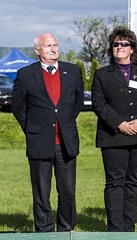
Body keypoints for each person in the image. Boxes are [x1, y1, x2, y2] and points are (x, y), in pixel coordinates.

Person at [12, 33, 84, 232]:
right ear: (38, 50)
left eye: (55, 45)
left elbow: (76, 104)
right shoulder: (26, 74)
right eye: (48, 46)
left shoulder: (73, 71)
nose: (54, 49)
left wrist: (65, 122)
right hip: (39, 142)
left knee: (68, 191)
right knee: (42, 192)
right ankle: (44, 231)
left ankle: (66, 230)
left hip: (66, 142)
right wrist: (33, 128)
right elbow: (19, 107)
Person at [91, 26, 137, 232]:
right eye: (115, 44)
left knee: (132, 182)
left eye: (124, 44)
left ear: (132, 48)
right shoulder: (102, 74)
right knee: (115, 182)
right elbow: (98, 103)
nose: (119, 47)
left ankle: (129, 226)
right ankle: (115, 227)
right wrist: (119, 124)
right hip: (113, 136)